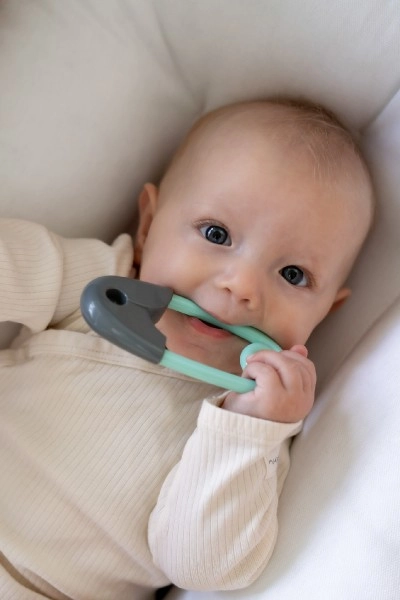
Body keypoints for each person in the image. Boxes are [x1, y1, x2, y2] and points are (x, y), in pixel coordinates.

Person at [0, 99, 374, 600]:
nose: (242, 286)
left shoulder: (253, 429)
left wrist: (247, 431)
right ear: (148, 226)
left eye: (293, 275)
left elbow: (199, 567)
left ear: (325, 312)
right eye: (217, 234)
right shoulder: (103, 285)